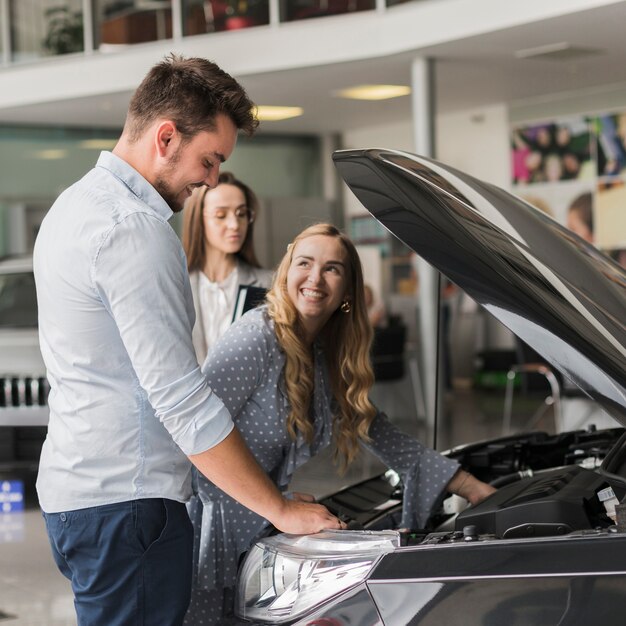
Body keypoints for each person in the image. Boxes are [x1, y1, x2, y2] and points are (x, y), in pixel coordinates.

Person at [33, 54, 342, 626]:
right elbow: (181, 400)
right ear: (166, 136)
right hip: (127, 506)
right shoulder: (133, 231)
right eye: (210, 159)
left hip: (80, 495)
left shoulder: (71, 208)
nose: (212, 180)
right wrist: (276, 509)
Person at [185, 223, 496, 624]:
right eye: (305, 263)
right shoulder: (255, 337)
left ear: (348, 292)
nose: (315, 278)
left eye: (332, 269)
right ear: (286, 272)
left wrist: (470, 487)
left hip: (255, 525)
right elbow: (192, 438)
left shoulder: (323, 352)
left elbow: (377, 430)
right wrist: (275, 505)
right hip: (206, 536)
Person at [182, 173, 273, 364]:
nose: (234, 225)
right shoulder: (177, 286)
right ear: (198, 219)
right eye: (221, 215)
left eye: (241, 214)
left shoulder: (269, 284)